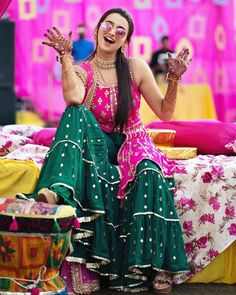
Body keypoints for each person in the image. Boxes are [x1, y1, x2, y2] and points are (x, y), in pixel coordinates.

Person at [23, 7, 191, 294]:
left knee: (149, 170)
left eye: (120, 30)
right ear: (98, 29)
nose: (112, 32)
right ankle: (57, 189)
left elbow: (165, 112)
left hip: (131, 139)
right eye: (108, 25)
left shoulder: (136, 67)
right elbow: (74, 98)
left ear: (125, 41)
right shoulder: (83, 70)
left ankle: (156, 265)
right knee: (75, 113)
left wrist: (173, 80)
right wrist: (65, 57)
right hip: (98, 146)